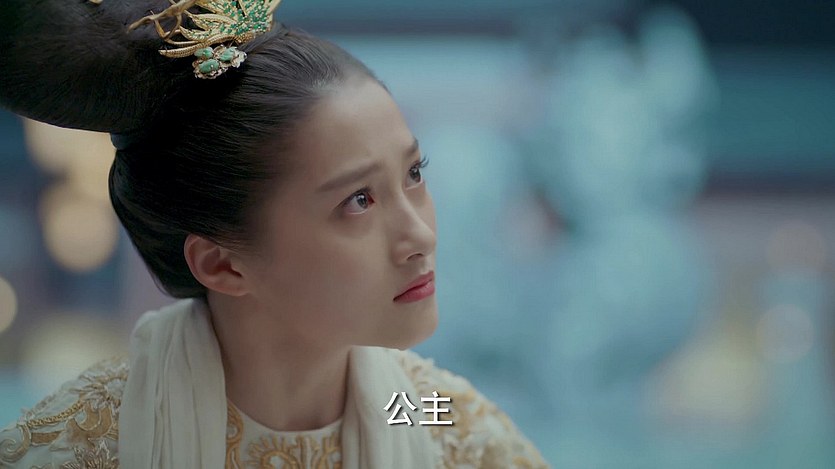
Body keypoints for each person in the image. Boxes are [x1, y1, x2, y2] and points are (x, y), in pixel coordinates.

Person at [0, 0, 548, 467]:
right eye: (358, 201)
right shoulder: (79, 449)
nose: (420, 235)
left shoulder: (452, 430)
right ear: (222, 264)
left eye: (414, 174)